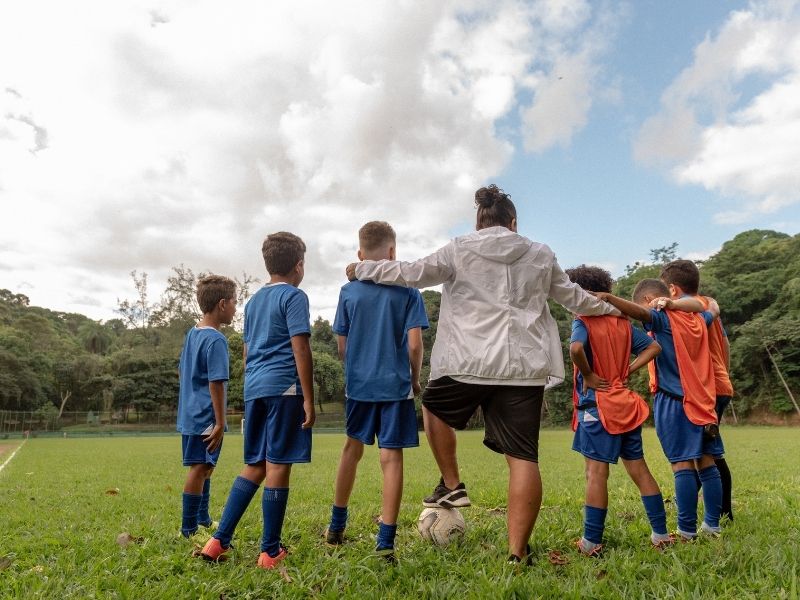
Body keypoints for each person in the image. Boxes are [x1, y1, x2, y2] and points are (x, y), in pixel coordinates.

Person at [346, 184, 619, 564]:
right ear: (513, 222)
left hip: (466, 362)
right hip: (522, 368)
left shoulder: (459, 248)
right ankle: (516, 552)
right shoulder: (540, 253)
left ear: (479, 223)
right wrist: (615, 310)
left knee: (434, 407)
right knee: (523, 458)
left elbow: (409, 273)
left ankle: (453, 484)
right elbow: (574, 298)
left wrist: (361, 267)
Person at [202, 232, 315, 569]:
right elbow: (301, 348)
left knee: (255, 464)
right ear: (298, 265)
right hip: (284, 389)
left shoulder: (252, 303)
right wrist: (308, 398)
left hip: (255, 389)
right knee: (278, 464)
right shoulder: (294, 297)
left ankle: (217, 541)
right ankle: (270, 551)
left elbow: (248, 351)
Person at [325, 221, 429, 560]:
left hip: (360, 386)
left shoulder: (348, 291)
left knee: (351, 451)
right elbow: (415, 345)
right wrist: (414, 379)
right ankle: (385, 541)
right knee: (391, 458)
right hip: (395, 387)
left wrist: (357, 362)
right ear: (392, 252)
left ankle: (336, 526)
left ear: (360, 254)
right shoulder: (409, 290)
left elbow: (341, 346)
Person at [594, 279, 725, 540]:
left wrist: (609, 298)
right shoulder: (698, 320)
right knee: (707, 463)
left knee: (682, 465)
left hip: (676, 401)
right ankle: (712, 525)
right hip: (705, 402)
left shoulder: (664, 319)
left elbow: (642, 314)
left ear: (648, 299)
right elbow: (713, 306)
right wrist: (679, 303)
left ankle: (686, 530)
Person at [563, 265, 670, 556]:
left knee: (595, 474)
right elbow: (654, 348)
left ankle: (591, 542)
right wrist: (627, 370)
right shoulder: (622, 323)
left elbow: (575, 350)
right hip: (625, 404)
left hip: (598, 408)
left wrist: (587, 374)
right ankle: (661, 535)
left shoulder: (583, 321)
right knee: (640, 469)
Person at [660, 259, 734, 522]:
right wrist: (723, 372)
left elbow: (708, 310)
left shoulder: (699, 305)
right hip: (717, 383)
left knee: (708, 454)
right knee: (706, 451)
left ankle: (721, 512)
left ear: (672, 289)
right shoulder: (707, 305)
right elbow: (724, 343)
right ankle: (711, 510)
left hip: (706, 386)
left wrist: (668, 305)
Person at [177, 275, 237, 538]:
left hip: (190, 413)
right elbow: (216, 384)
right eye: (235, 302)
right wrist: (221, 421)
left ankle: (202, 518)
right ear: (222, 304)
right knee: (199, 467)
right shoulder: (216, 340)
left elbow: (183, 372)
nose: (236, 307)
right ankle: (188, 529)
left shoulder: (193, 334)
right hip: (205, 417)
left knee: (207, 467)